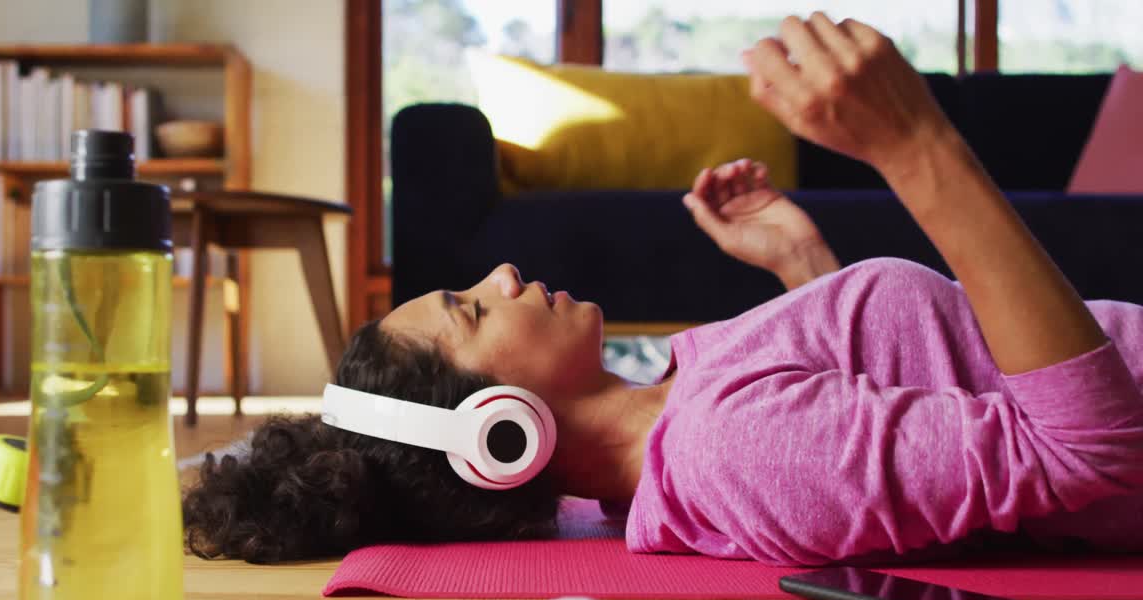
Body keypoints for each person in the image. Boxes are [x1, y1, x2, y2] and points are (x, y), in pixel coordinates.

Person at [184, 13, 1143, 566]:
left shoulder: (690, 408)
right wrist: (916, 146)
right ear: (500, 435)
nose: (504, 273)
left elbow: (915, 401)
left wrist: (805, 271)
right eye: (473, 310)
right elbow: (1085, 447)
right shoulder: (733, 451)